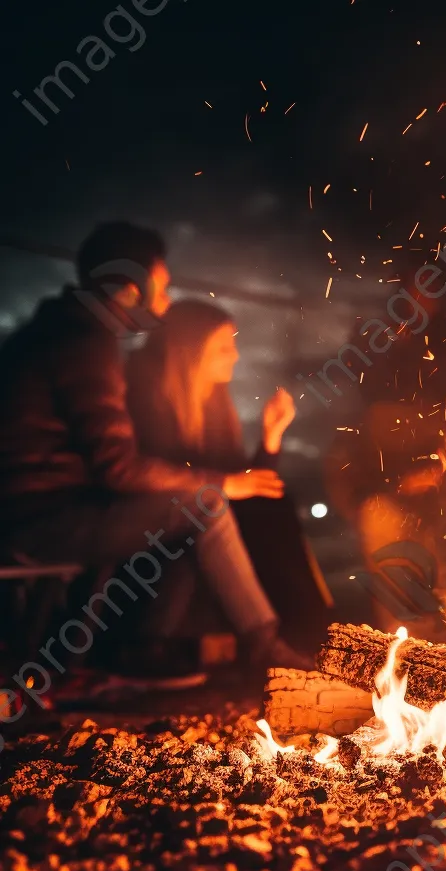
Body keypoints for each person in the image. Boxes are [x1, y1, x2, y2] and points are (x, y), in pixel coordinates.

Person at [0, 222, 311, 680]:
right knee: (203, 505)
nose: (165, 304)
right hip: (37, 518)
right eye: (162, 288)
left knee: (191, 510)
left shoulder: (64, 330)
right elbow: (119, 468)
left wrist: (256, 453)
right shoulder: (83, 342)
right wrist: (223, 484)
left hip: (42, 508)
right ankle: (263, 648)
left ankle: (149, 653)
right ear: (130, 289)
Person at [125, 300, 334, 655]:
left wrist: (271, 437)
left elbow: (242, 477)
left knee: (273, 501)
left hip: (209, 503)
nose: (234, 356)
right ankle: (281, 638)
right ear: (191, 351)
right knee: (248, 507)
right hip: (161, 512)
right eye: (223, 347)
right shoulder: (148, 395)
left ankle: (312, 630)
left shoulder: (215, 400)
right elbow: (159, 471)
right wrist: (226, 485)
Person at [325, 268, 446, 641]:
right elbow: (357, 452)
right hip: (388, 496)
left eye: (431, 291)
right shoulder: (375, 359)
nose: (422, 301)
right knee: (384, 531)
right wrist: (395, 482)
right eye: (415, 290)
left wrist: (439, 469)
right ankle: (407, 656)